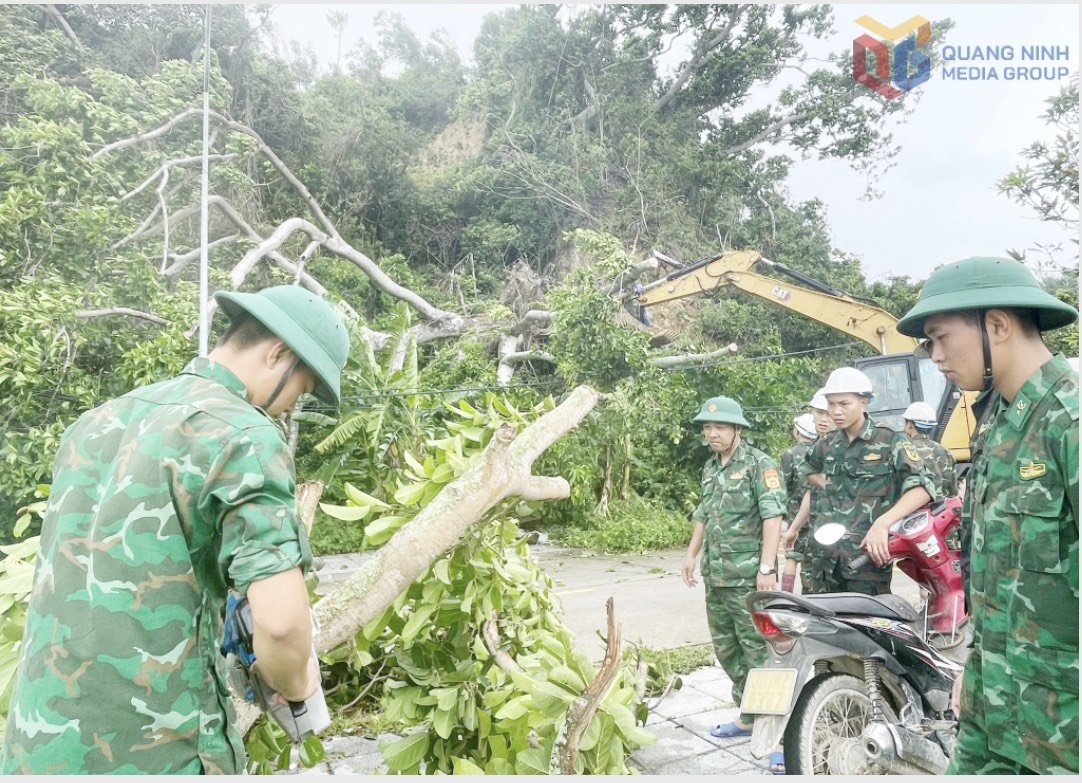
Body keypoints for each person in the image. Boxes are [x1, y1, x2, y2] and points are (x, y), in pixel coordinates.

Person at [0, 285, 352, 774]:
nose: (290, 407)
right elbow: (282, 625)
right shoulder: (243, 434)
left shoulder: (95, 422)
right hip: (157, 754)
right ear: (278, 354)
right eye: (302, 389)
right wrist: (300, 686)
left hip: (35, 749)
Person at [894, 256, 1078, 775]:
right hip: (991, 706)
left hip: (1063, 729)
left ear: (996, 325)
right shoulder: (995, 419)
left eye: (939, 337)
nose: (934, 355)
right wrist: (972, 667)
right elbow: (996, 575)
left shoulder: (1070, 420)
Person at [680, 395, 785, 751]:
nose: (712, 433)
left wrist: (767, 566)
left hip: (749, 577)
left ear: (737, 428)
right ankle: (748, 714)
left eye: (719, 427)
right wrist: (691, 555)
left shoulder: (760, 464)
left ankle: (776, 731)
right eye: (707, 427)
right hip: (717, 575)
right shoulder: (711, 467)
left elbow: (773, 515)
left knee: (759, 649)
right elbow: (703, 513)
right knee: (727, 649)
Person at [801, 367, 938, 595]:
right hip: (823, 560)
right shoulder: (827, 444)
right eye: (831, 404)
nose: (836, 411)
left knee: (870, 625)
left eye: (844, 404)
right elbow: (807, 469)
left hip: (865, 560)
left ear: (864, 403)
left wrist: (883, 524)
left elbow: (922, 488)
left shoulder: (889, 440)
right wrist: (828, 486)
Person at [778, 413, 816, 593]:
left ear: (798, 431)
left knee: (792, 558)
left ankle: (787, 596)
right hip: (816, 514)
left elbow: (783, 485)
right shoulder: (820, 449)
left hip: (795, 515)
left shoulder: (790, 454)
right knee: (812, 560)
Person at [901, 401, 958, 500]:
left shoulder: (905, 450)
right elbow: (953, 489)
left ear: (910, 424)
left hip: (918, 511)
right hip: (942, 511)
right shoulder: (945, 451)